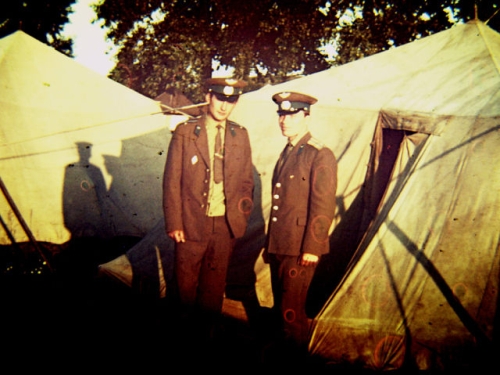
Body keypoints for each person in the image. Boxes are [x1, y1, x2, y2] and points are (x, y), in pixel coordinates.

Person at [163, 78, 254, 334]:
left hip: (224, 226)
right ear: (208, 97)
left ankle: (206, 346)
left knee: (213, 292)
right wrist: (174, 222)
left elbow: (247, 182)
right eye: (220, 99)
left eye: (231, 100)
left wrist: (239, 219)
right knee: (184, 290)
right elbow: (172, 180)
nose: (225, 106)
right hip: (191, 223)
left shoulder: (241, 135)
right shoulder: (186, 131)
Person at [263, 91, 337, 353]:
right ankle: (283, 357)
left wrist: (312, 248)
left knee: (291, 312)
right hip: (281, 243)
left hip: (300, 248)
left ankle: (294, 363)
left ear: (306, 116)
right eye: (282, 115)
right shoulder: (290, 150)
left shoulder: (319, 154)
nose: (285, 121)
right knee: (282, 307)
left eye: (292, 115)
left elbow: (323, 205)